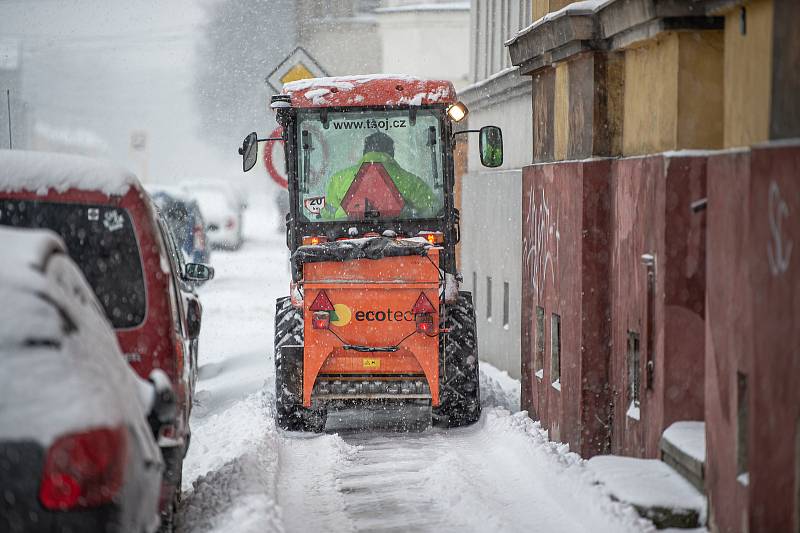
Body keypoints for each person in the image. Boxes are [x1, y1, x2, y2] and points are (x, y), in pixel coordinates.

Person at [322, 131, 439, 220]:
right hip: (400, 238)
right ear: (391, 153)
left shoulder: (339, 179)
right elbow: (432, 209)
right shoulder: (410, 181)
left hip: (346, 238)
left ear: (365, 152)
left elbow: (328, 216)